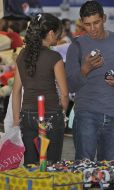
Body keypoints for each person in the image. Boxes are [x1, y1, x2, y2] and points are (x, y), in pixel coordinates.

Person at [65, 1, 114, 161]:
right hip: (86, 115)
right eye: (87, 24)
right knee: (84, 166)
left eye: (96, 22)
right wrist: (85, 69)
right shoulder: (76, 46)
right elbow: (71, 85)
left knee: (109, 169)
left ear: (104, 18)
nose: (93, 28)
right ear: (82, 23)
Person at [12, 13, 69, 165]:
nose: (57, 38)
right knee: (50, 165)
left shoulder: (22, 55)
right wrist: (62, 114)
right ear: (50, 33)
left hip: (27, 116)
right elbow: (64, 94)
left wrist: (16, 121)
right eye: (57, 34)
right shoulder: (54, 57)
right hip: (50, 116)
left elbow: (16, 91)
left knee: (30, 165)